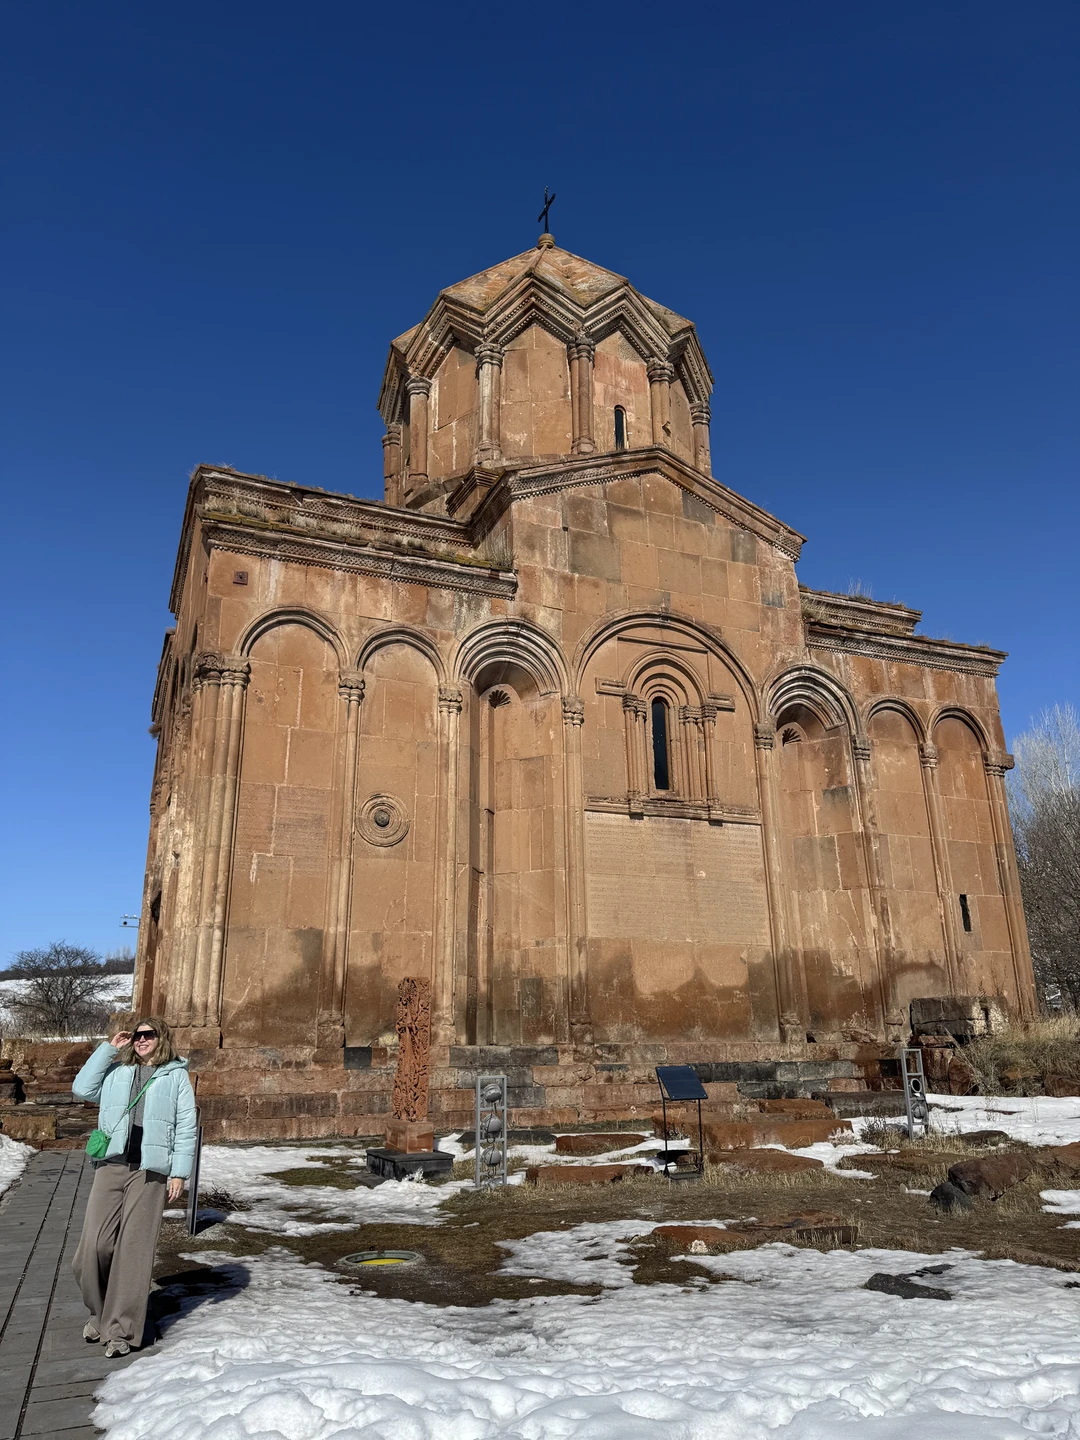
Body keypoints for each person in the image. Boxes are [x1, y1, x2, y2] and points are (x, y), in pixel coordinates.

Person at [71, 1017, 197, 1357]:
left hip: (149, 1172)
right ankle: (100, 1314)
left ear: (161, 1038)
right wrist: (109, 1049)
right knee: (92, 1249)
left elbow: (187, 1126)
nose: (141, 1040)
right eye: (137, 1035)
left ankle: (122, 1330)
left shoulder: (176, 1076)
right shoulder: (117, 1071)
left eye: (148, 1034)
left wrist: (178, 1173)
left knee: (133, 1251)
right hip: (111, 1165)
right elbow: (82, 1089)